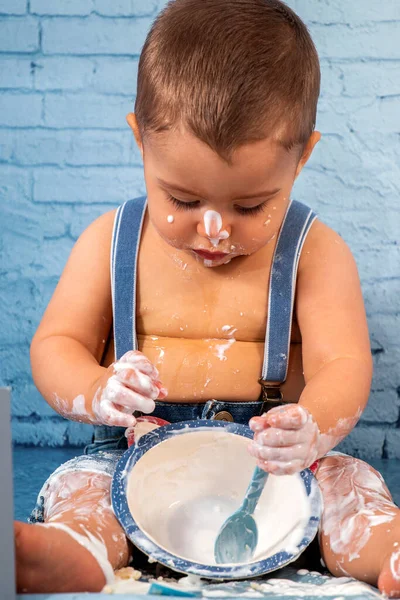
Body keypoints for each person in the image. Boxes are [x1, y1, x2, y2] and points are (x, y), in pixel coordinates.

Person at [14, 0, 400, 595]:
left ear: (303, 157)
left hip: (273, 472)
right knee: (84, 492)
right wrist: (99, 389)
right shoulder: (110, 242)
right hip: (131, 461)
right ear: (140, 140)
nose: (214, 228)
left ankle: (387, 551)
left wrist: (313, 426)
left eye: (250, 206)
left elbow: (343, 363)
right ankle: (74, 550)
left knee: (349, 492)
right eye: (184, 200)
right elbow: (55, 345)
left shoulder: (314, 253)